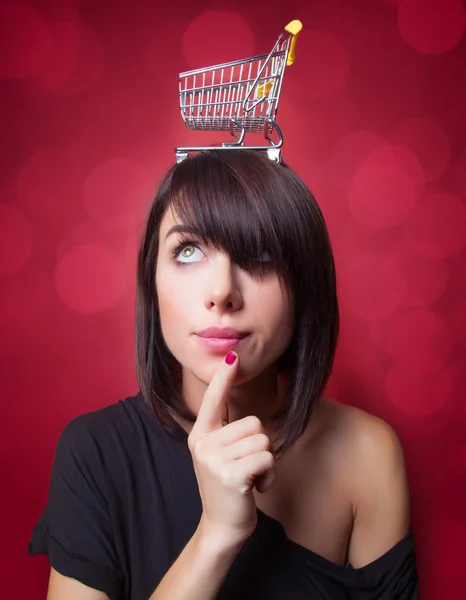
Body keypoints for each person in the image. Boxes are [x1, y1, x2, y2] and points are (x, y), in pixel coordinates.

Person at [29, 149, 419, 599]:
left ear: (304, 285)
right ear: (152, 283)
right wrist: (216, 535)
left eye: (260, 254)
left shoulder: (365, 453)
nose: (222, 292)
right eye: (188, 250)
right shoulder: (95, 453)